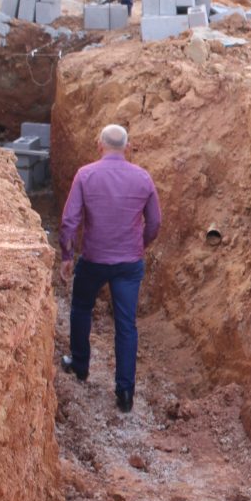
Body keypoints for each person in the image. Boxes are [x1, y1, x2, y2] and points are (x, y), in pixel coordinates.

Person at [59, 124, 161, 414]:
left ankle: (80, 365)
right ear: (128, 147)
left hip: (93, 259)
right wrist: (140, 245)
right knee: (126, 325)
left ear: (99, 145)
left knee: (81, 308)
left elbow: (69, 221)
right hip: (129, 264)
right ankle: (125, 393)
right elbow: (155, 222)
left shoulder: (85, 175)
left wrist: (67, 256)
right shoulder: (143, 178)